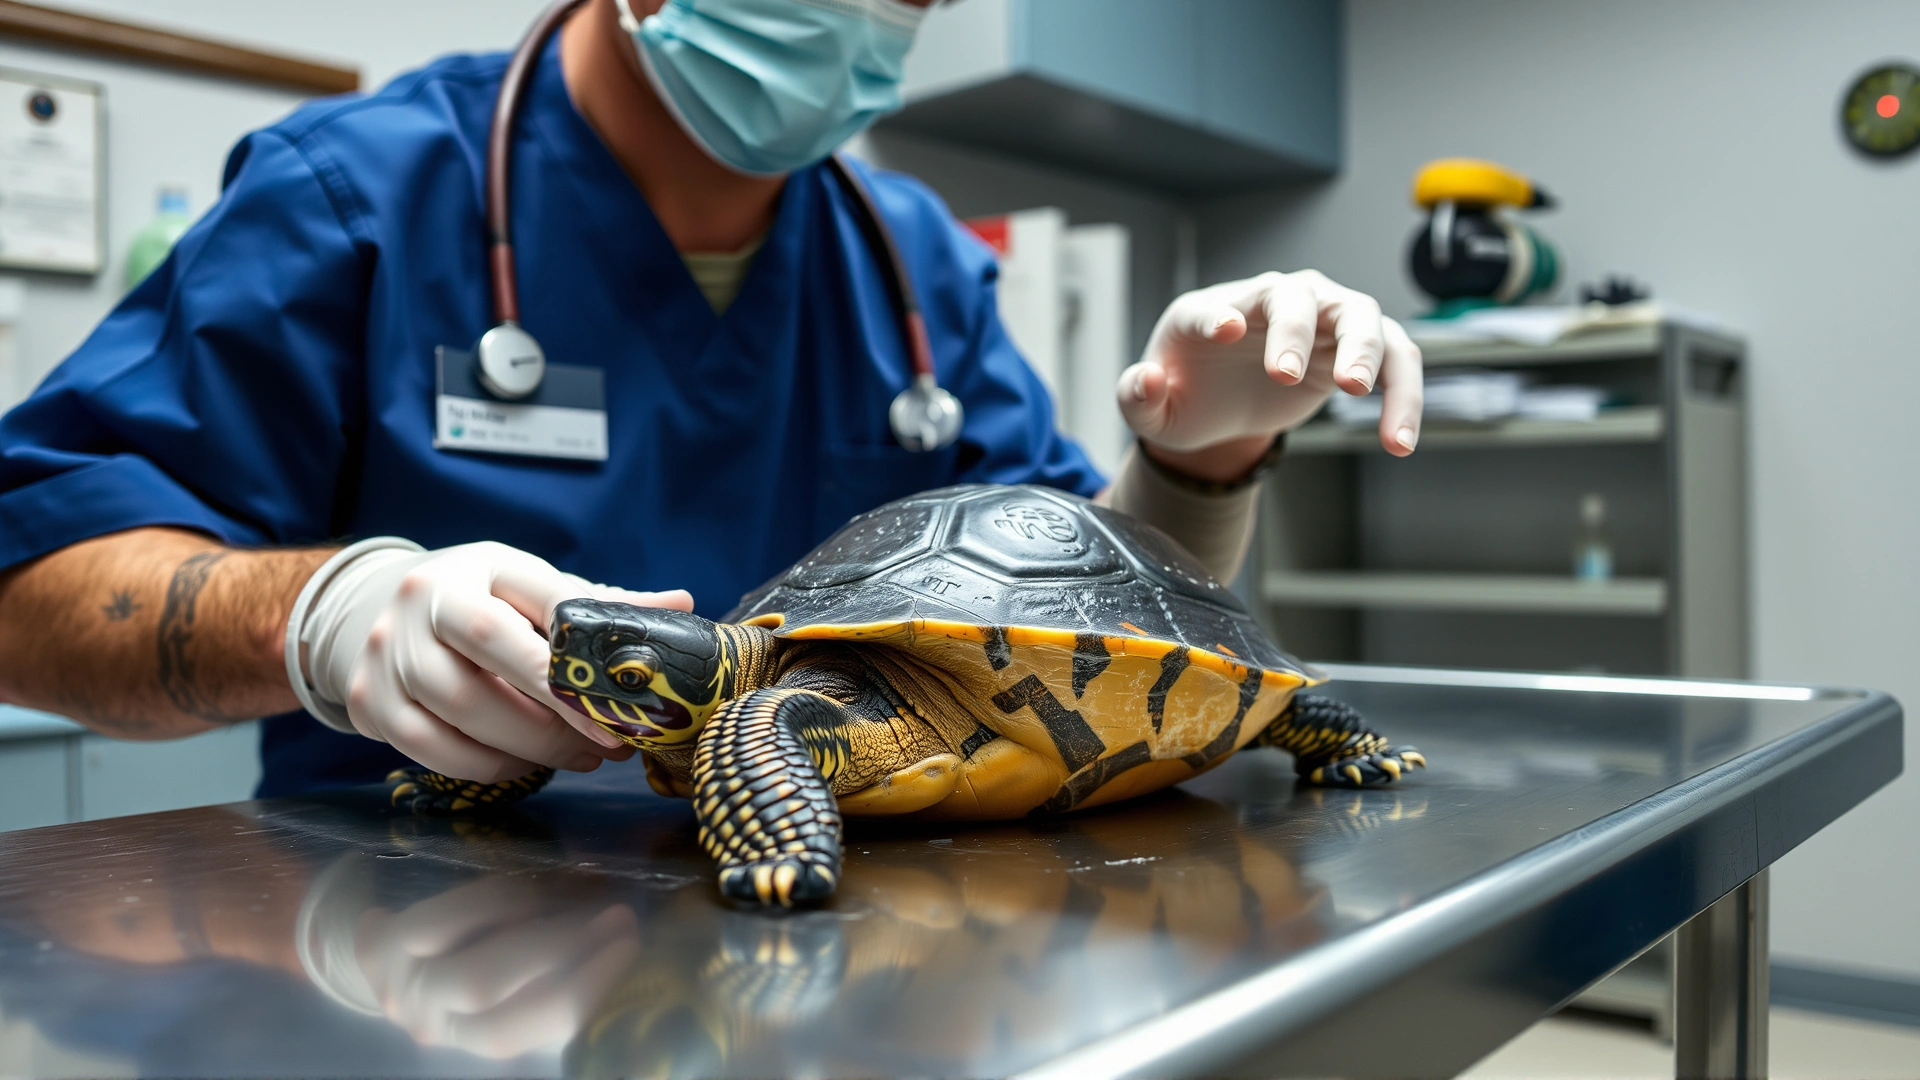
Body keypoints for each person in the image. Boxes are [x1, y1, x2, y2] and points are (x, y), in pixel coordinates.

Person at [0, 0, 1422, 799]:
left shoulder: (914, 264)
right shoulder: (353, 198)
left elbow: (1079, 647)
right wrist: (319, 618)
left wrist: (1201, 453)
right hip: (419, 950)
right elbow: (30, 583)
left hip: (885, 963)